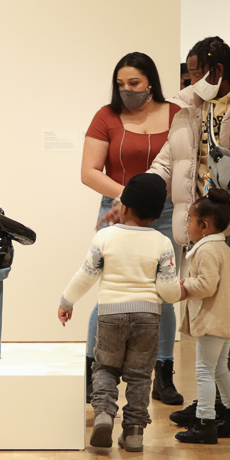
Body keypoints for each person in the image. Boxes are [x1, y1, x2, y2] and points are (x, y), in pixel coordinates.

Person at [102, 37, 230, 432]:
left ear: (218, 69)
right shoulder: (189, 109)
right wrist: (129, 198)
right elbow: (167, 162)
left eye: (197, 72)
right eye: (190, 73)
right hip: (203, 234)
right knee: (210, 322)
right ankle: (215, 406)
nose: (191, 79)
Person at [81, 52, 183, 405]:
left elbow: (187, 164)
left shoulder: (176, 114)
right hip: (117, 209)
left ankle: (164, 372)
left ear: (150, 82)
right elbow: (89, 171)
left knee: (163, 293)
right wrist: (130, 198)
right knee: (109, 290)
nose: (126, 90)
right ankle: (94, 372)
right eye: (120, 84)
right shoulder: (105, 116)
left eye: (134, 84)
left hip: (168, 211)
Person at [58, 173, 183, 452]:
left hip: (111, 314)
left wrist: (66, 301)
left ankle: (103, 413)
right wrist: (182, 289)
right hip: (148, 318)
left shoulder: (105, 237)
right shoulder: (162, 243)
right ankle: (134, 432)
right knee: (140, 375)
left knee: (105, 367)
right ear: (156, 215)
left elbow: (86, 275)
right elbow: (168, 291)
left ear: (123, 207)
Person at [174, 188, 230, 445]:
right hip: (225, 319)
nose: (188, 224)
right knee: (219, 370)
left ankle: (205, 422)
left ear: (204, 225)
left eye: (190, 220)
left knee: (204, 370)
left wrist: (182, 286)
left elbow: (206, 285)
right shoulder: (220, 246)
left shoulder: (205, 250)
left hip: (212, 320)